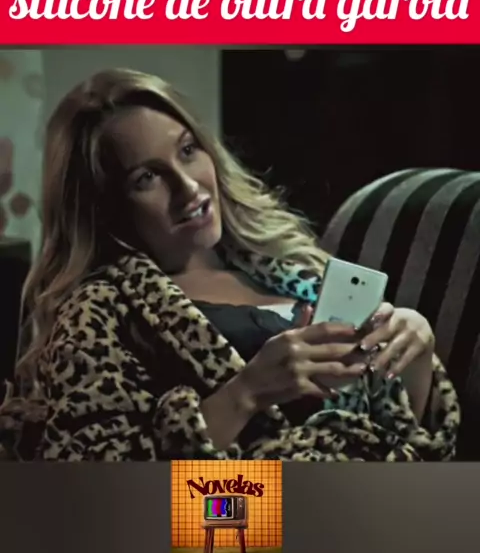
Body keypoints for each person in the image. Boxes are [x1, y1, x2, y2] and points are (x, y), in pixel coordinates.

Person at [0, 68, 459, 461]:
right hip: (252, 520)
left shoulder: (290, 267)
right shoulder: (99, 312)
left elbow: (414, 448)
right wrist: (247, 391)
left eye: (187, 151)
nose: (189, 188)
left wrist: (415, 352)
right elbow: (98, 483)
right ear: (104, 208)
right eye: (147, 177)